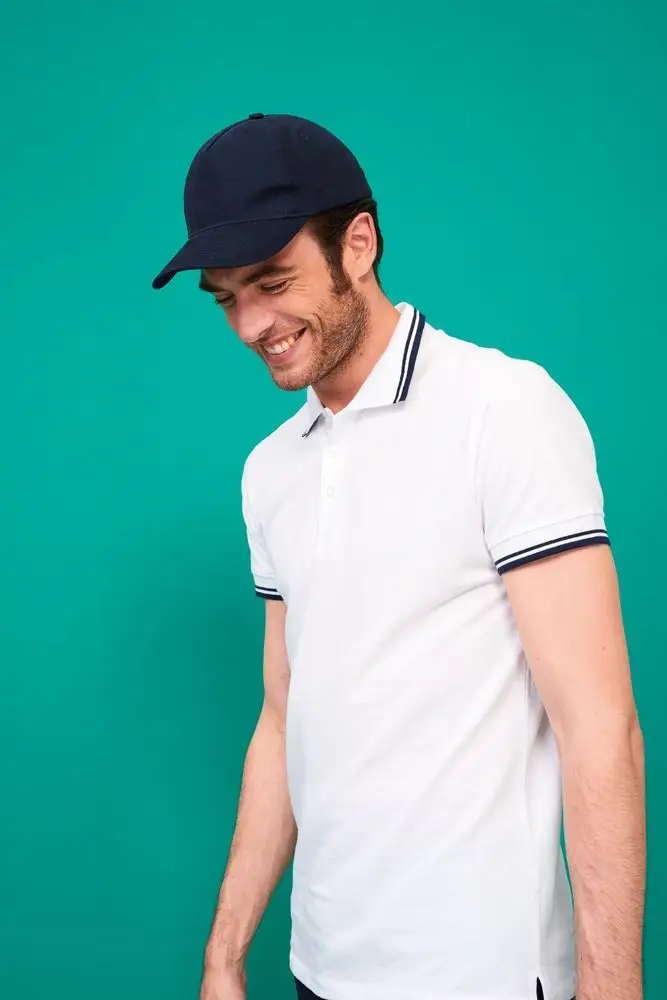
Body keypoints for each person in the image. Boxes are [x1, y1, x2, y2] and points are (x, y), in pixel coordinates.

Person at [152, 114, 646, 1000]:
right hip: (320, 968)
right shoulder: (270, 471)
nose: (250, 324)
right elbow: (282, 717)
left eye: (272, 282)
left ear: (359, 244)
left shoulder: (503, 410)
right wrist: (225, 953)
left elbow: (598, 729)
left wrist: (610, 989)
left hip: (480, 975)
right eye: (225, 298)